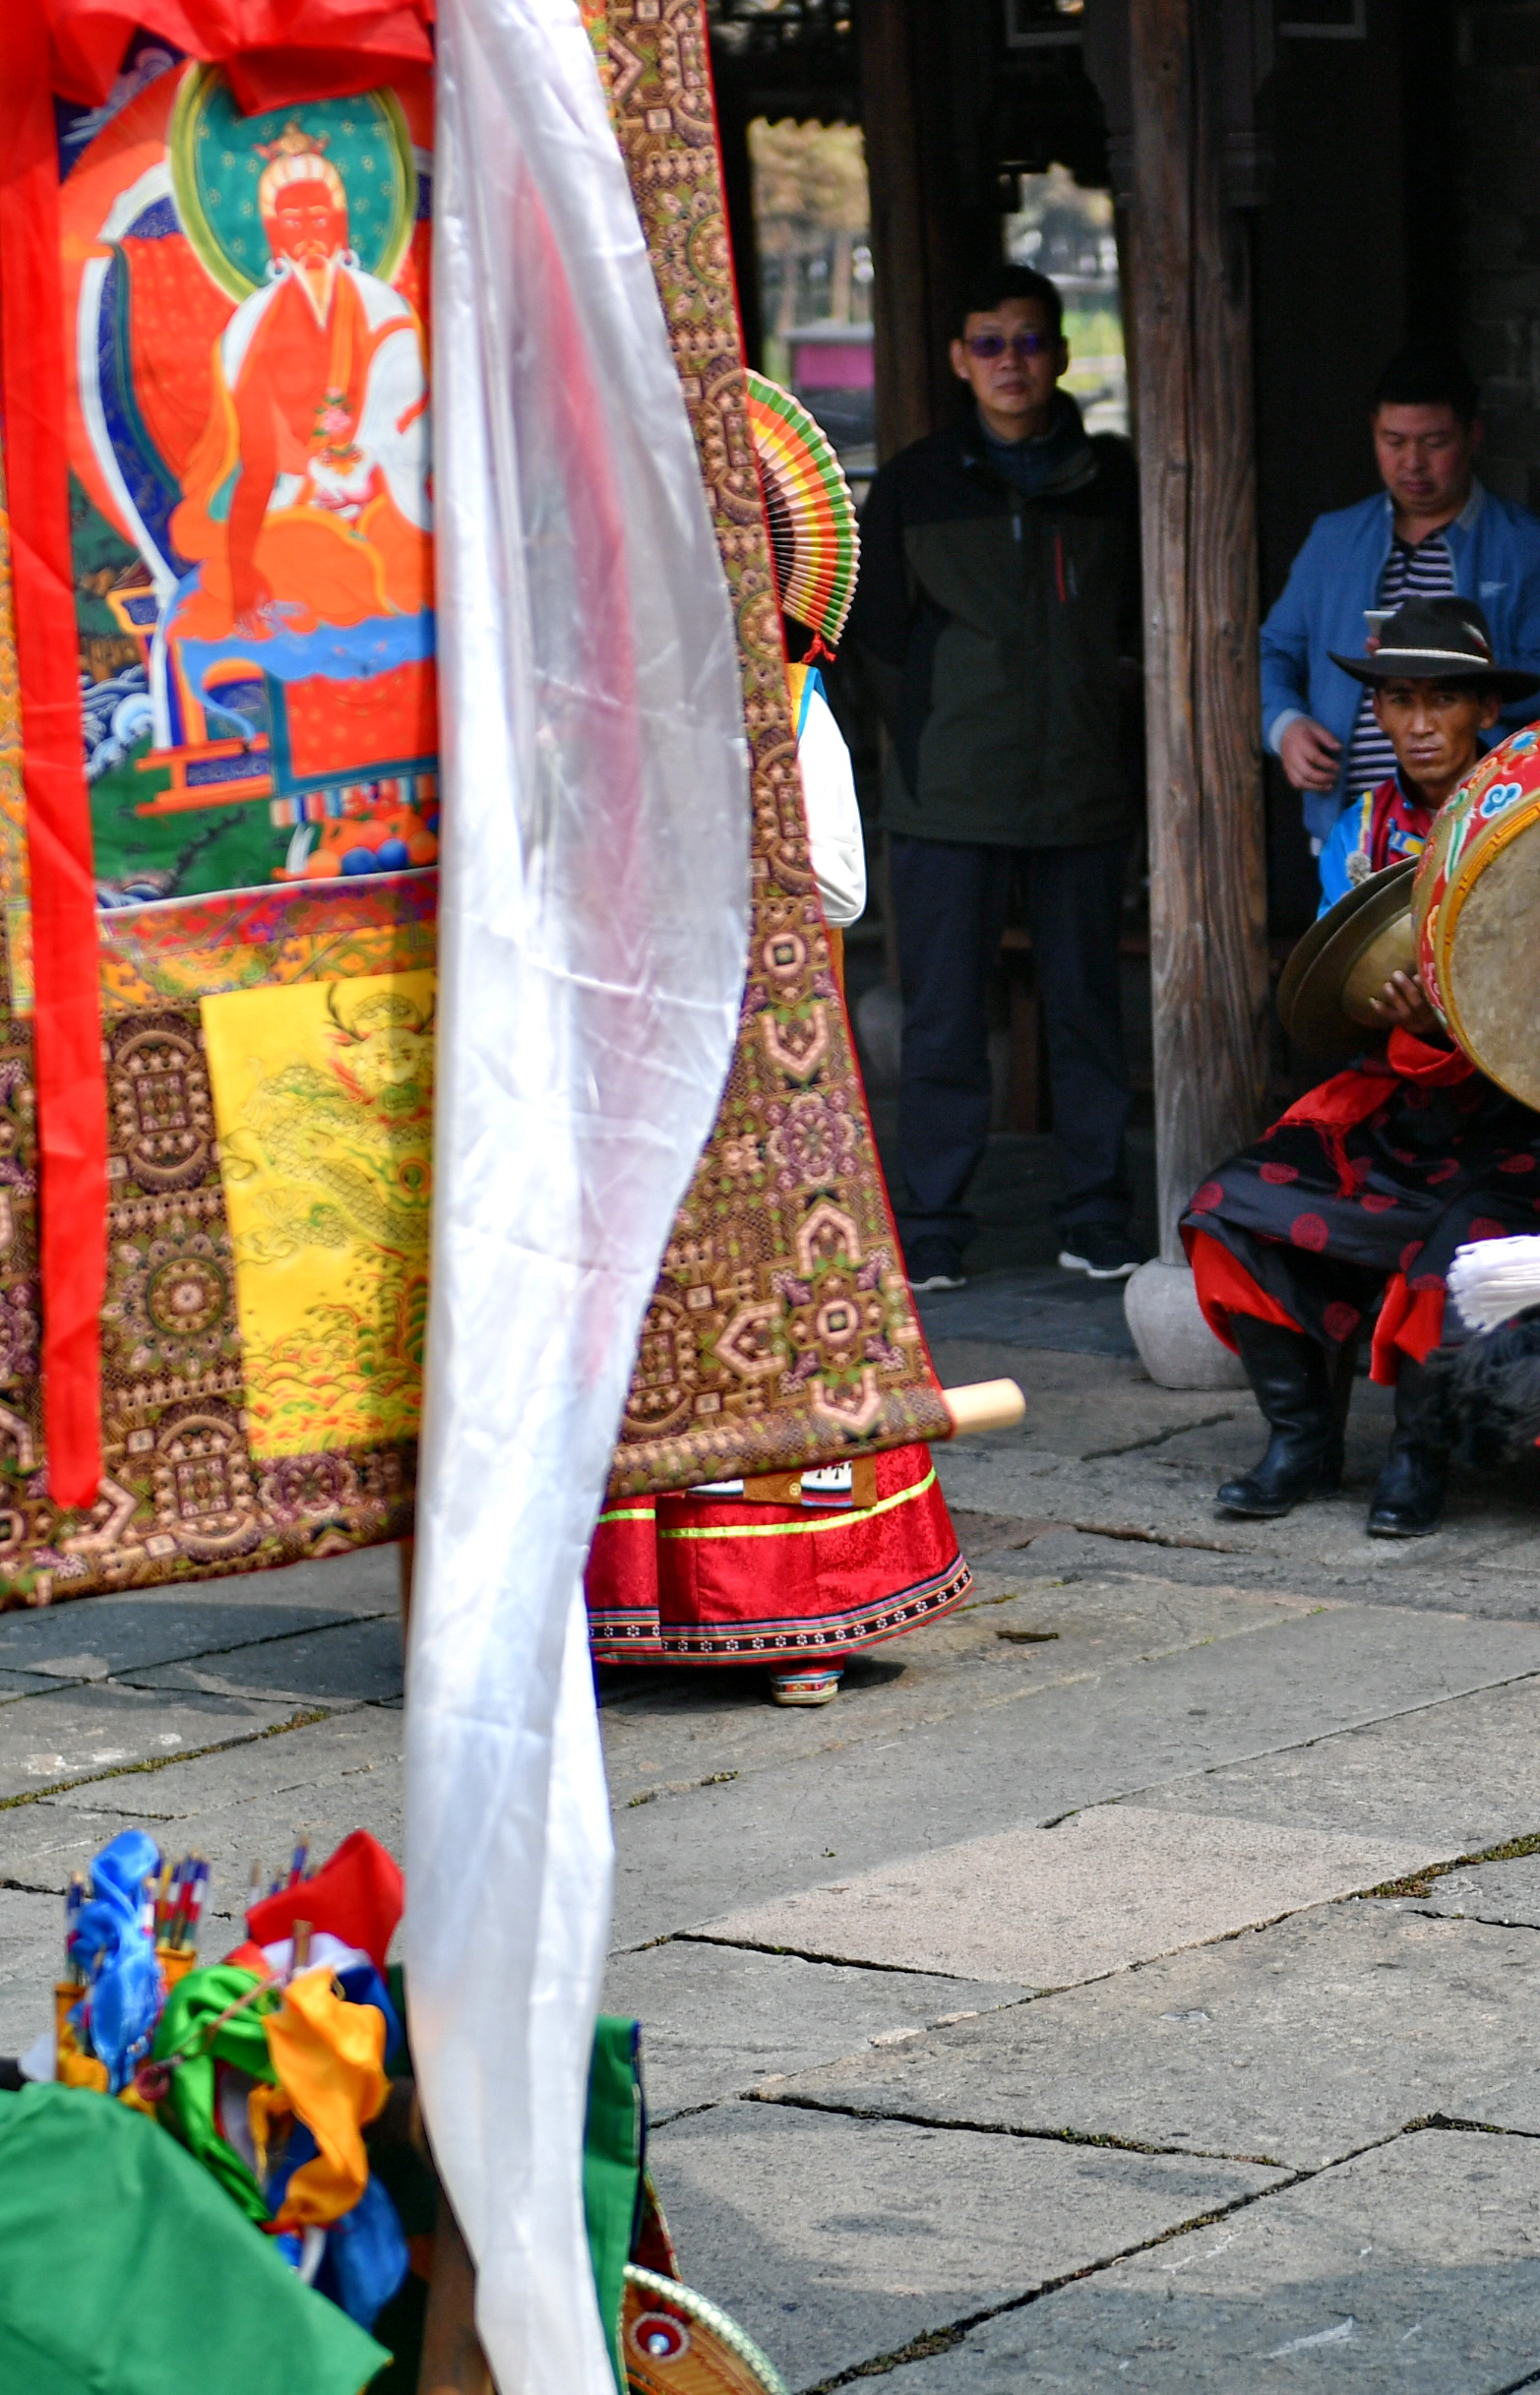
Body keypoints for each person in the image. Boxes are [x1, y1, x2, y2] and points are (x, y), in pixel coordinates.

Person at [587, 379, 972, 1708]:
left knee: (783, 1325)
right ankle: (622, 1604)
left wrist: (728, 843)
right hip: (630, 1052)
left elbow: (846, 884)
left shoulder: (793, 705)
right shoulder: (598, 705)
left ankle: (799, 1607)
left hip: (762, 1060)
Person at [1183, 596, 1540, 1538]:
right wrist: (1395, 1022)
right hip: (1397, 1104)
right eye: (1398, 701)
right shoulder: (1358, 831)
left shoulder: (1532, 824)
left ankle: (1419, 1456)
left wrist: (1456, 1020)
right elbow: (1333, 986)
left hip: (1524, 1113)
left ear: (1485, 711)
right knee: (1231, 1208)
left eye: (1441, 701)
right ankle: (1302, 1440)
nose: (1418, 724)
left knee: (1453, 1252)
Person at [847, 264, 1144, 1291]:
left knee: (1085, 1013)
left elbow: (1142, 629)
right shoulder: (916, 484)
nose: (1009, 362)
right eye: (988, 342)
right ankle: (930, 1225)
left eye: (1028, 341)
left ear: (1061, 355)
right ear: (957, 359)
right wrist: (928, 741)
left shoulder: (1113, 482)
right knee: (940, 1019)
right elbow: (875, 639)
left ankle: (1097, 1213)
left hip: (1082, 792)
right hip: (948, 797)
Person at [1260, 348, 1540, 855]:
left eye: (1434, 442)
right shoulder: (1333, 540)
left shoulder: (1530, 547)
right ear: (1372, 431)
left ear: (1472, 435)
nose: (1412, 462)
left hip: (1484, 828)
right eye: (1393, 441)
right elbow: (1270, 652)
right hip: (1350, 835)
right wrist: (1285, 725)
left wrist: (1465, 671)